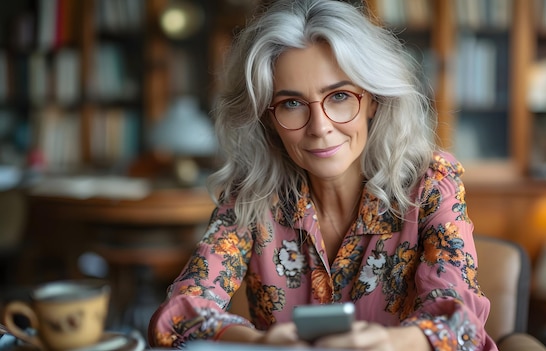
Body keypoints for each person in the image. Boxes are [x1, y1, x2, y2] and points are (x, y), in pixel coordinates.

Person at [149, 0, 497, 350]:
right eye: (292, 104)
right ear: (268, 117)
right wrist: (263, 343)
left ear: (373, 98)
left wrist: (393, 343)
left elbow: (462, 325)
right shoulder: (251, 194)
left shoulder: (431, 182)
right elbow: (178, 316)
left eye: (340, 96)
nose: (320, 127)